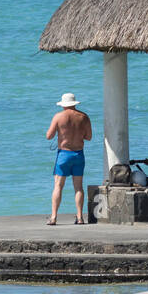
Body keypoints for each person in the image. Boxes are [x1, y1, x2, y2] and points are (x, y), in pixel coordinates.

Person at [46, 92, 92, 225]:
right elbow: (89, 137)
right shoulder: (83, 117)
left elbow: (49, 136)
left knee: (58, 186)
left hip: (64, 155)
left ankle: (54, 217)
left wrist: (61, 133)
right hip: (78, 154)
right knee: (78, 187)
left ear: (63, 104)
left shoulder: (58, 117)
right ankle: (80, 217)